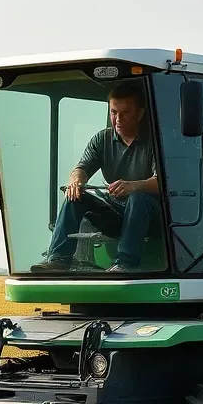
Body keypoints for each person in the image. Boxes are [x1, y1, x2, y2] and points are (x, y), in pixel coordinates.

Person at [31, 83, 161, 274]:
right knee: (76, 195)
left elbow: (164, 183)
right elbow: (81, 168)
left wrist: (133, 186)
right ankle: (58, 259)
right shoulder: (102, 140)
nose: (118, 119)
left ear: (140, 114)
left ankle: (125, 264)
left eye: (125, 113)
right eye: (114, 112)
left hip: (153, 216)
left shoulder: (155, 142)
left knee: (137, 198)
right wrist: (76, 182)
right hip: (117, 212)